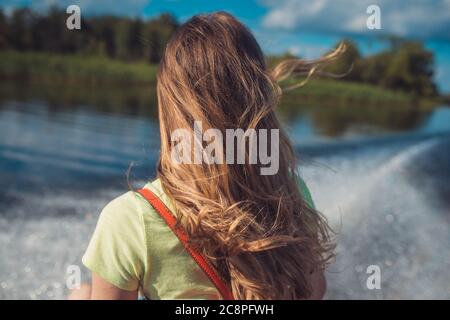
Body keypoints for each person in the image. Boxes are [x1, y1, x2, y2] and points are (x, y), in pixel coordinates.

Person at [69, 11, 343, 300]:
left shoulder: (131, 219)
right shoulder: (292, 193)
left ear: (172, 104)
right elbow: (314, 290)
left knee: (81, 293)